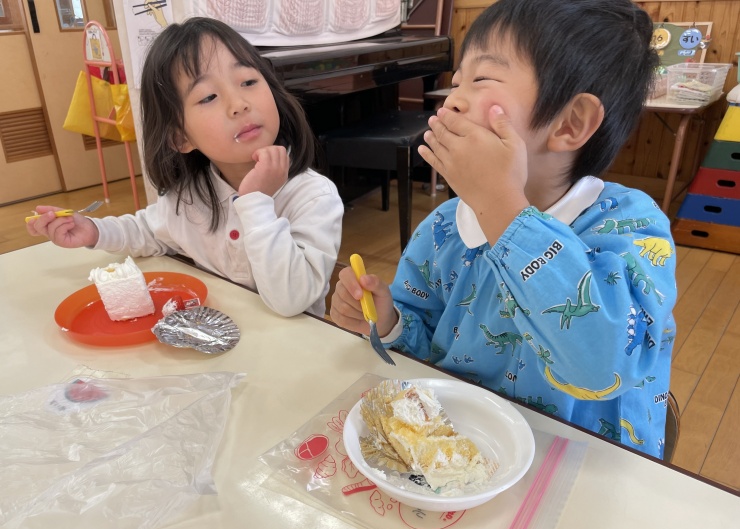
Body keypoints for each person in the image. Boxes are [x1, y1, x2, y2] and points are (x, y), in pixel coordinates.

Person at [331, 0, 677, 459]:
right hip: (465, 455)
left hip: (581, 467)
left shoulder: (631, 226)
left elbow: (602, 365)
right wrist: (391, 321)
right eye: (457, 81)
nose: (452, 98)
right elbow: (426, 344)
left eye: (482, 80)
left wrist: (503, 208)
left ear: (570, 123)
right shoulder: (442, 228)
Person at [27, 17, 343, 317]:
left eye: (248, 81)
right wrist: (93, 231)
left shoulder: (312, 195)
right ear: (180, 138)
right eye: (208, 97)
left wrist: (257, 203)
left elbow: (292, 300)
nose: (239, 104)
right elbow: (147, 230)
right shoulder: (189, 197)